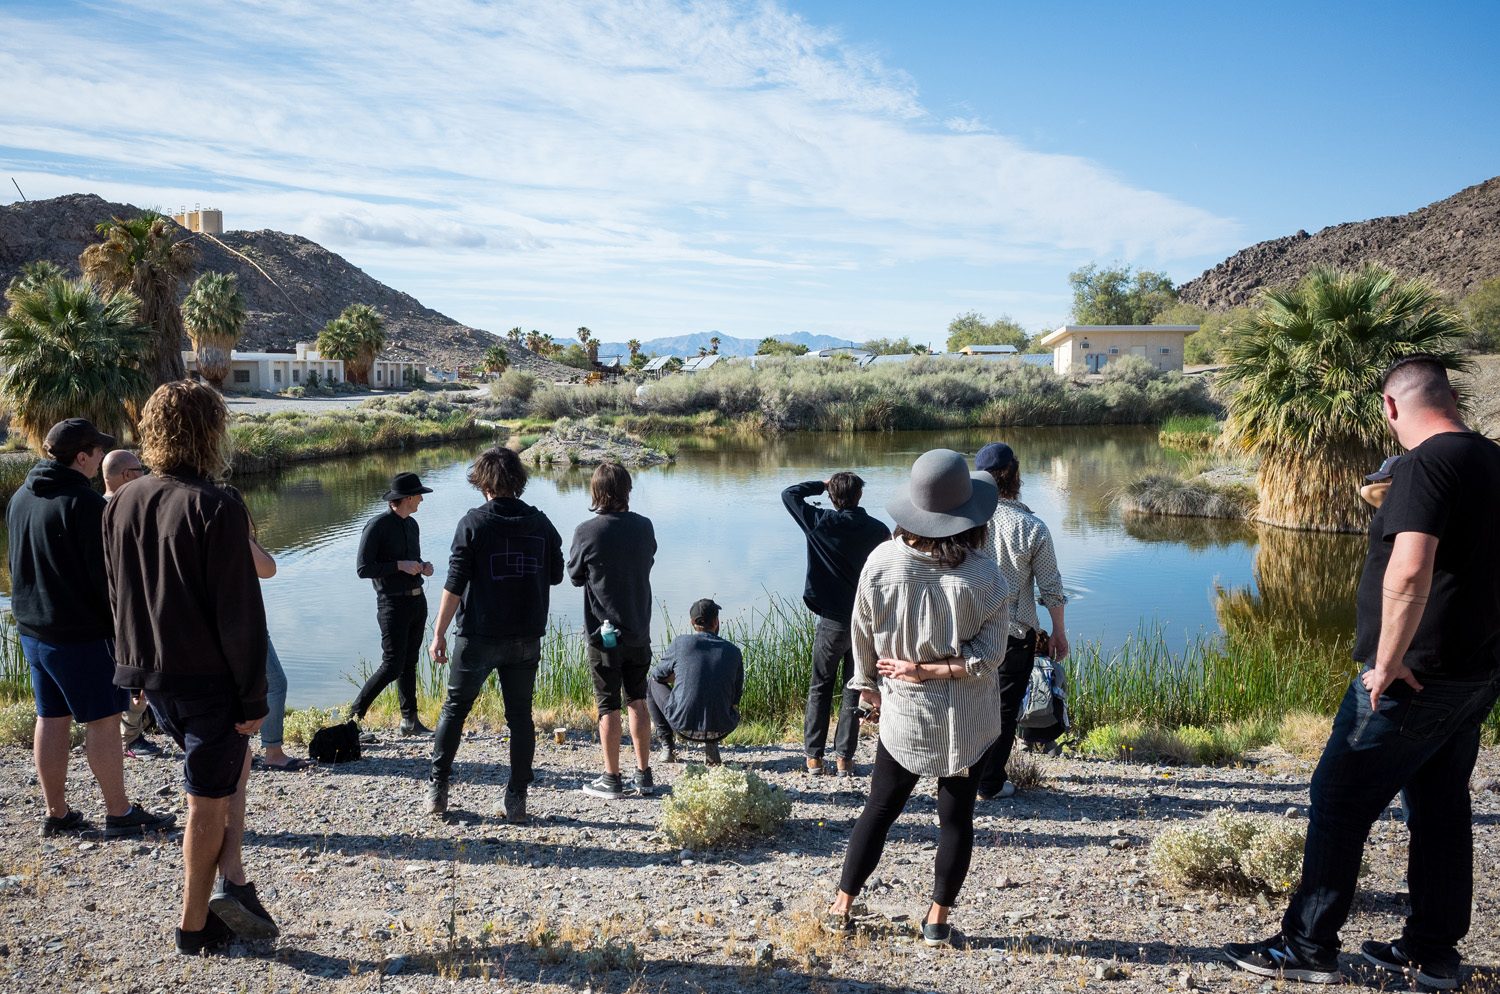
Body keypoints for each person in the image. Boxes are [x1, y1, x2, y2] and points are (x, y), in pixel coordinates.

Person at [1224, 355, 1500, 989]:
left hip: (1415, 676)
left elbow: (1409, 569)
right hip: (1473, 673)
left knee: (1339, 800)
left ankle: (1306, 948)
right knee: (1439, 806)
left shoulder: (1426, 463)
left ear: (1390, 407)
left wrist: (1389, 659)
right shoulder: (1489, 458)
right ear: (1451, 397)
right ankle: (1432, 952)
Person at [104, 381, 278, 955]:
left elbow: (117, 593)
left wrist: (127, 672)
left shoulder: (122, 500)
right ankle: (195, 925)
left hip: (153, 677)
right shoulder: (217, 505)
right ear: (211, 432)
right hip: (209, 682)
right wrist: (255, 701)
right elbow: (240, 614)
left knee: (234, 769)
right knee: (205, 798)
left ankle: (236, 878)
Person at [825, 449, 1007, 948]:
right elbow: (989, 658)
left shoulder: (882, 562)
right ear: (969, 514)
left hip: (903, 710)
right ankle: (937, 921)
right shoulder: (985, 575)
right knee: (956, 819)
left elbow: (861, 634)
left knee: (879, 809)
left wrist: (871, 687)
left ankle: (842, 907)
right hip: (965, 720)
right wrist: (935, 668)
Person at [7, 418, 174, 839]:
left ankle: (57, 812)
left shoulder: (21, 497)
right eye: (97, 451)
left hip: (33, 631)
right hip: (80, 635)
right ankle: (119, 812)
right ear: (82, 457)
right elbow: (110, 583)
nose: (101, 457)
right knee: (102, 719)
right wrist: (132, 641)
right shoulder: (85, 504)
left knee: (52, 717)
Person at [428, 447, 563, 822]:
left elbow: (454, 584)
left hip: (479, 634)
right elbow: (555, 574)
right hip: (525, 635)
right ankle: (516, 800)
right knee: (520, 717)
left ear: (484, 482)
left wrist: (438, 633)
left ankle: (438, 791)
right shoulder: (542, 524)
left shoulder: (473, 524)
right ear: (517, 481)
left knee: (455, 709)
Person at [970, 442, 1069, 800]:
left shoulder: (964, 521)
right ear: (1015, 476)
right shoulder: (1032, 527)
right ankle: (989, 783)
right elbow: (1051, 587)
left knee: (966, 704)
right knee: (1004, 710)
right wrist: (1058, 632)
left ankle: (961, 777)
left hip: (965, 630)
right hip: (1013, 634)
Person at [782, 473, 891, 777]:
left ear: (833, 497)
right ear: (860, 496)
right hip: (865, 623)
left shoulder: (821, 522)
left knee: (820, 687)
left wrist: (820, 484)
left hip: (832, 620)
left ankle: (814, 758)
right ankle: (845, 759)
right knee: (853, 689)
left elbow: (789, 494)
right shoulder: (878, 530)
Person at [568, 462, 658, 799]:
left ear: (596, 492)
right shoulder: (644, 527)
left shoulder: (586, 531)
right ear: (627, 490)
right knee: (638, 699)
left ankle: (612, 778)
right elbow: (648, 559)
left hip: (604, 636)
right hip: (639, 629)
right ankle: (644, 775)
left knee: (608, 705)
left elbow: (575, 576)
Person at [221, 486, 308, 773]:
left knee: (233, 689)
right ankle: (272, 751)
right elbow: (269, 568)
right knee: (276, 682)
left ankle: (239, 750)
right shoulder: (236, 540)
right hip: (245, 628)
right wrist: (243, 533)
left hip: (225, 628)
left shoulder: (204, 540)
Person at [351, 472, 435, 736]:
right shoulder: (377, 526)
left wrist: (423, 567)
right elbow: (363, 569)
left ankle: (410, 722)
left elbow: (413, 563)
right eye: (418, 495)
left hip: (417, 602)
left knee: (409, 664)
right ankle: (353, 718)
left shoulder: (412, 525)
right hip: (391, 605)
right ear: (408, 498)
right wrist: (399, 565)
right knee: (392, 666)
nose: (421, 499)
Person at [102, 448, 159, 757]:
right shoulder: (122, 510)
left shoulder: (99, 508)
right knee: (135, 679)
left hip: (120, 608)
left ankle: (134, 734)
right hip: (125, 610)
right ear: (126, 475)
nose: (145, 475)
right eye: (141, 469)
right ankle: (131, 738)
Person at [646, 598, 744, 766]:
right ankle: (711, 745)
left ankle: (668, 747)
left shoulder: (681, 643)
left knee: (651, 682)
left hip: (683, 727)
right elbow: (736, 697)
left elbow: (658, 675)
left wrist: (679, 677)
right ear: (716, 622)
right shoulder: (734, 652)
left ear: (692, 623)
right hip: (722, 728)